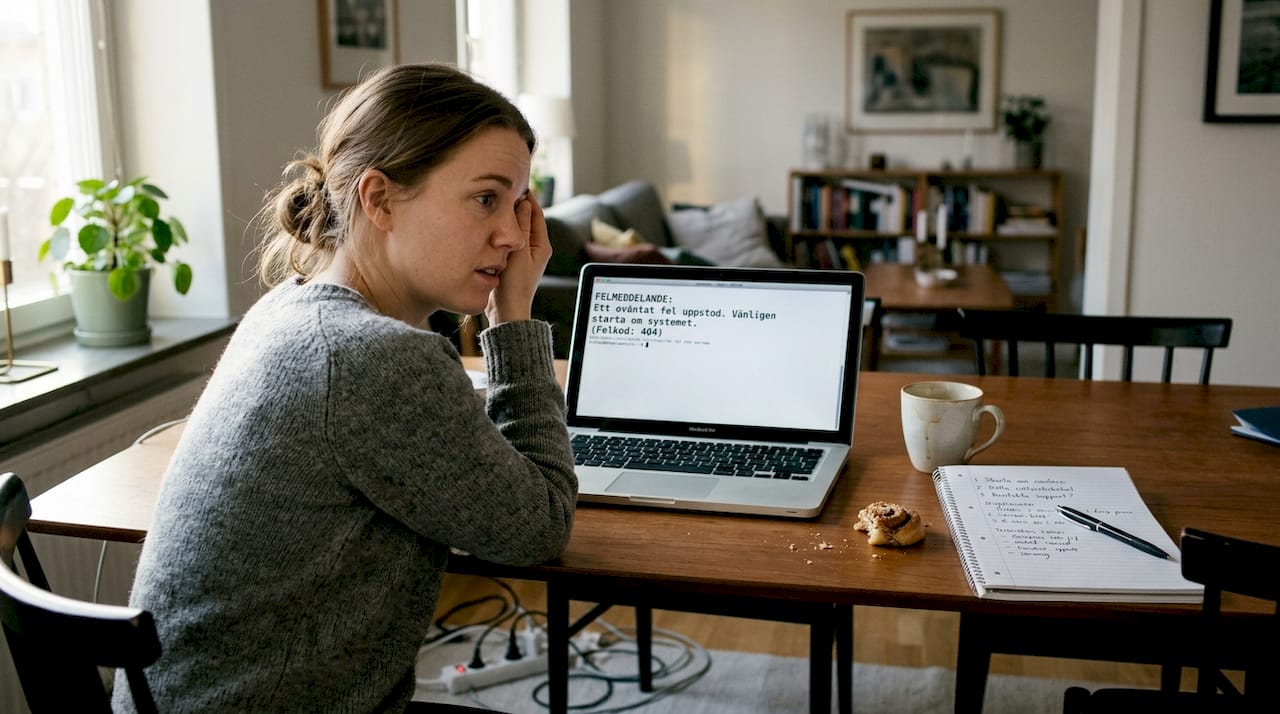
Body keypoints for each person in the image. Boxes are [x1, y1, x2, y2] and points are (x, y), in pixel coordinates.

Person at [114, 63, 577, 712]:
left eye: (519, 203)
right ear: (379, 199)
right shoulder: (378, 359)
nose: (512, 235)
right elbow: (541, 525)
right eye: (485, 199)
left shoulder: (287, 309)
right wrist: (515, 319)